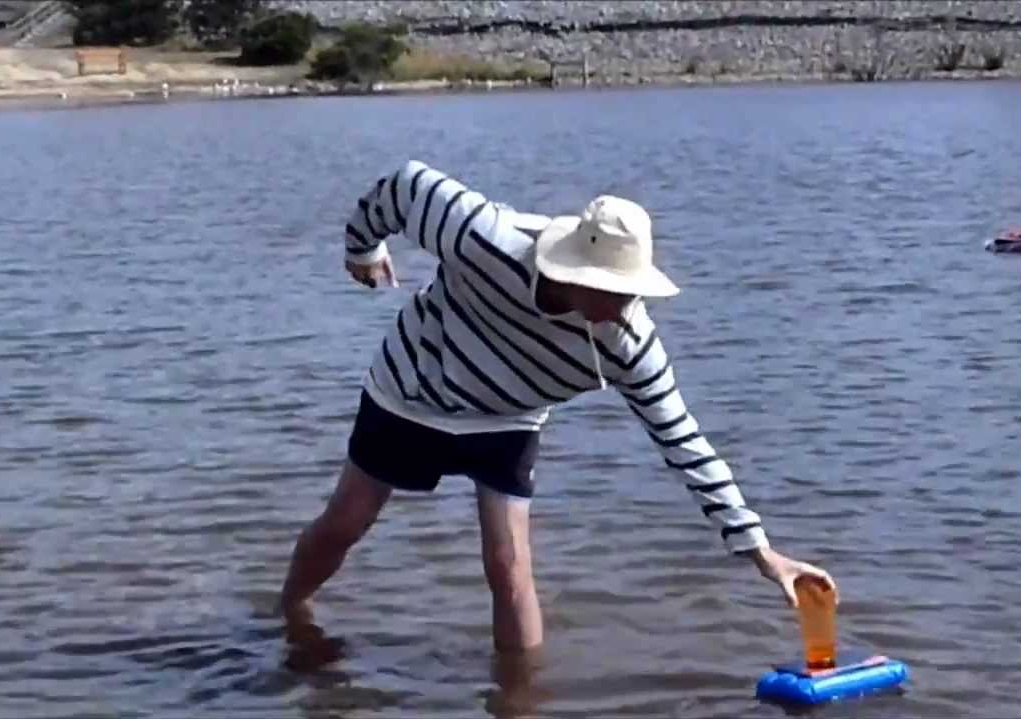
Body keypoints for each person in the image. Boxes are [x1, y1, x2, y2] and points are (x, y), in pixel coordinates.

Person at [280, 160, 836, 653]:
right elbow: (406, 185)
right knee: (345, 524)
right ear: (571, 273)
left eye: (632, 291)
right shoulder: (487, 238)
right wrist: (362, 249)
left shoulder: (628, 343)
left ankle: (521, 702)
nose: (623, 307)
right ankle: (286, 618)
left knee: (509, 567)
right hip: (414, 389)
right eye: (611, 291)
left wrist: (761, 552)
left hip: (508, 418)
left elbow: (683, 441)